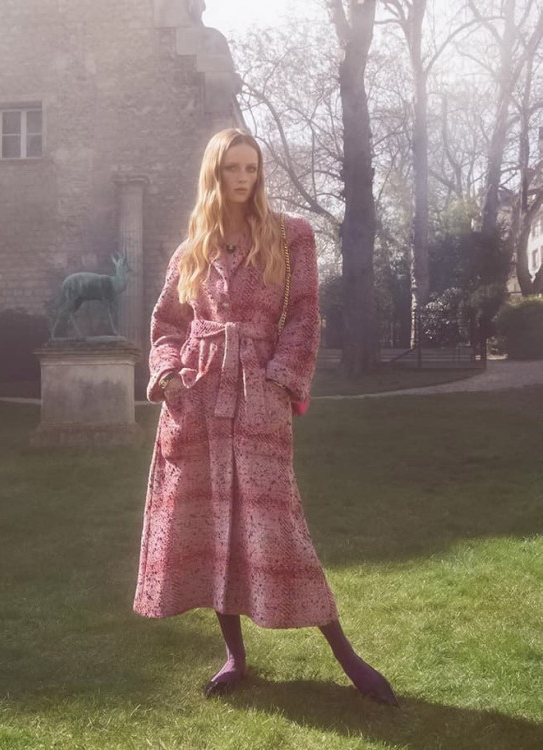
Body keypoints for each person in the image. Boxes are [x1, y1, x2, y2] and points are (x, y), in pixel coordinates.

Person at [133, 128, 398, 707]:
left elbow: (303, 314)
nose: (244, 178)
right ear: (214, 174)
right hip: (197, 399)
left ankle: (349, 659)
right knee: (211, 526)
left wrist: (279, 382)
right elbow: (167, 324)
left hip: (258, 393)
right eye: (232, 168)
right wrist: (171, 377)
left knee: (279, 527)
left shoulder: (290, 235)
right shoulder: (191, 249)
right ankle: (235, 655)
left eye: (251, 167)